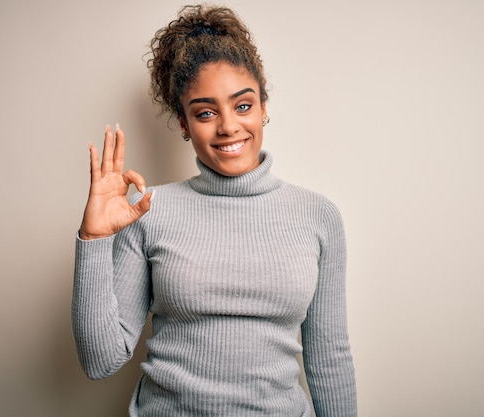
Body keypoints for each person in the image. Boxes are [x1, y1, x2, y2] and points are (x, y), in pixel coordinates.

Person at [72, 4, 357, 416]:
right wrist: (95, 240)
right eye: (206, 113)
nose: (227, 126)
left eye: (243, 106)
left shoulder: (318, 216)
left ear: (263, 107)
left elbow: (329, 358)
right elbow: (100, 361)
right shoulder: (148, 211)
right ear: (184, 124)